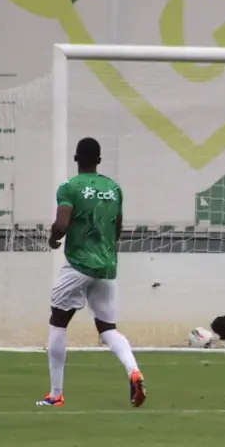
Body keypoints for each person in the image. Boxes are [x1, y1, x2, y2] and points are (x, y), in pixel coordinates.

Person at [38, 137, 145, 408]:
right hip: (107, 265)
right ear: (99, 161)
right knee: (108, 328)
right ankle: (133, 370)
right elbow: (118, 228)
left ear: (76, 159)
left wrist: (53, 239)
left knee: (59, 320)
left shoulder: (69, 187)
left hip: (77, 264)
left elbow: (62, 224)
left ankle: (56, 394)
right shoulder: (114, 188)